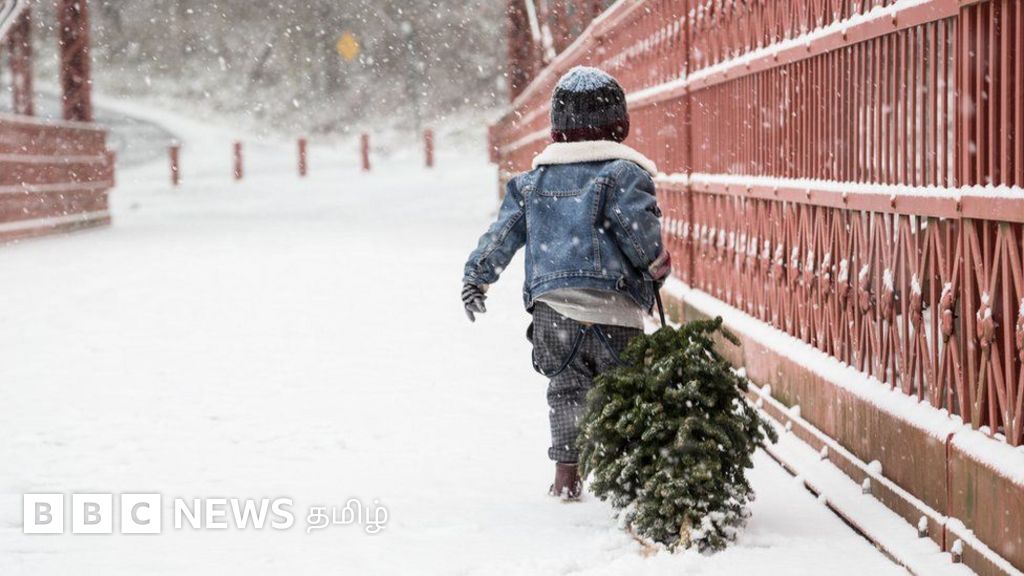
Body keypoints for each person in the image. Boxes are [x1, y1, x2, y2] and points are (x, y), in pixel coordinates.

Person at [461, 66, 671, 500]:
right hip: (615, 310)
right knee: (624, 394)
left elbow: (502, 235)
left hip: (554, 313)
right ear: (619, 125)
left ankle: (566, 475)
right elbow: (638, 236)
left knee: (566, 391)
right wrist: (654, 264)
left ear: (556, 131)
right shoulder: (623, 175)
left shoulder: (530, 184)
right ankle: (625, 478)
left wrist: (477, 276)